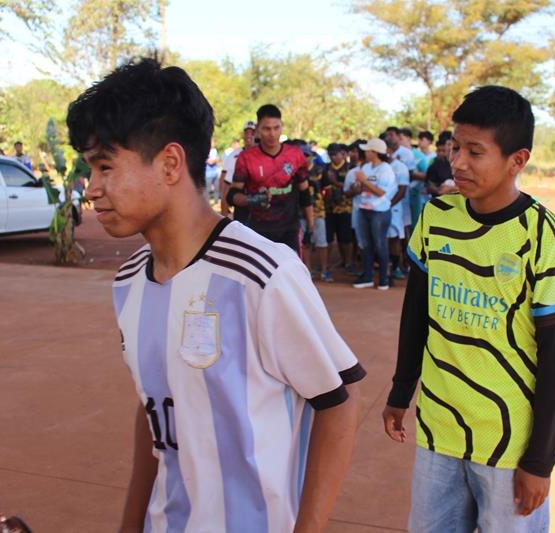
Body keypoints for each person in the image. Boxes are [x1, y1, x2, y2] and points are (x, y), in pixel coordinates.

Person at [66, 58, 364, 533]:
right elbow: (152, 412)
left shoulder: (262, 275)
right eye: (89, 170)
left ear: (169, 163)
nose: (93, 189)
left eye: (105, 167)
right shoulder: (128, 283)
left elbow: (340, 404)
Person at [382, 86, 555, 533]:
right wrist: (401, 390)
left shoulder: (547, 238)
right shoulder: (436, 215)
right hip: (438, 428)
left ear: (516, 160)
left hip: (509, 446)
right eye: (454, 147)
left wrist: (540, 461)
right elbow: (416, 315)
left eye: (475, 152)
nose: (457, 162)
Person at [228, 105, 314, 254]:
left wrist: (311, 228)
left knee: (290, 275)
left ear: (282, 127)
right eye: (266, 129)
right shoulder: (246, 158)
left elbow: (305, 193)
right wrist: (252, 199)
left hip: (289, 230)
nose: (272, 134)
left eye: (276, 127)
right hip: (256, 231)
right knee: (258, 276)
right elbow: (232, 195)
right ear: (257, 130)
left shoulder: (295, 155)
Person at [351, 138, 396, 290]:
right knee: (366, 245)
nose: (365, 152)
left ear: (375, 152)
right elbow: (360, 187)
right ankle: (368, 277)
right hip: (364, 209)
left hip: (379, 212)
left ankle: (384, 280)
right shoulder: (366, 167)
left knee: (380, 245)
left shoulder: (385, 169)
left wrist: (364, 181)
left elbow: (381, 192)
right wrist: (357, 185)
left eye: (368, 150)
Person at [301, 144, 332, 281]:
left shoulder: (320, 170)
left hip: (318, 212)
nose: (304, 158)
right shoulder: (297, 171)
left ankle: (324, 270)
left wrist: (321, 202)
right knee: (305, 242)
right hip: (300, 212)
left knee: (321, 242)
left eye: (306, 155)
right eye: (301, 155)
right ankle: (307, 270)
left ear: (311, 156)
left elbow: (328, 190)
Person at [324, 143, 355, 272]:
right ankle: (341, 261)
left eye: (335, 154)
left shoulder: (350, 168)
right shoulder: (326, 168)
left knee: (346, 238)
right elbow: (323, 186)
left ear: (342, 153)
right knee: (331, 237)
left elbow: (353, 188)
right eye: (330, 155)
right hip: (330, 208)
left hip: (347, 208)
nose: (333, 157)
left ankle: (348, 262)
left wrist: (335, 183)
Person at [219, 121, 256, 219]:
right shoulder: (235, 154)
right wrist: (224, 212)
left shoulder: (261, 154)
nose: (249, 136)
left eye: (252, 133)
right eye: (247, 132)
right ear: (243, 135)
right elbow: (225, 181)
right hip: (239, 201)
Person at [386, 138, 409, 281]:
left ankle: (396, 267)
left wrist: (388, 205)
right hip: (379, 209)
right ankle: (388, 267)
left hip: (394, 208)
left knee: (394, 238)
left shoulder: (400, 167)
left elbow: (402, 191)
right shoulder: (379, 166)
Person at [205, 138, 221, 203]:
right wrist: (215, 160)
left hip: (215, 173)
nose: (213, 144)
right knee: (208, 190)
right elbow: (209, 162)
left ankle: (216, 202)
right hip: (208, 174)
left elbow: (218, 160)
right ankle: (207, 204)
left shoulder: (215, 151)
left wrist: (214, 160)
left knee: (217, 189)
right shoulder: (206, 150)